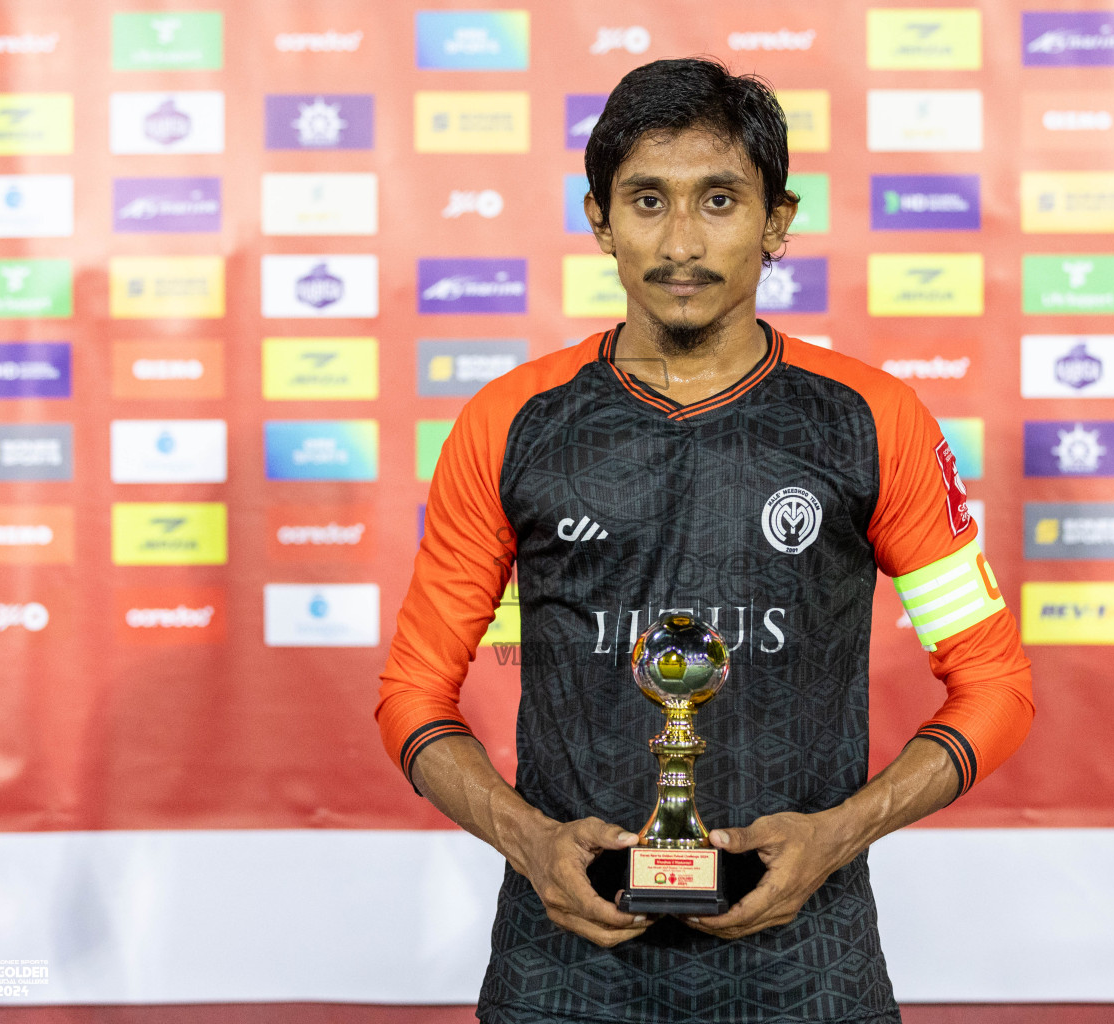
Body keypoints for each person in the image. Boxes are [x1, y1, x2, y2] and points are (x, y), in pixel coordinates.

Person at [376, 57, 1035, 1024]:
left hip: (808, 968)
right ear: (599, 219)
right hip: (564, 970)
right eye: (648, 200)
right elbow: (411, 695)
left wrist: (840, 834)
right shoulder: (510, 423)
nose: (681, 241)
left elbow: (995, 684)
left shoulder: (872, 421)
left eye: (719, 200)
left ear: (777, 221)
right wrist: (527, 842)